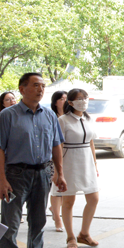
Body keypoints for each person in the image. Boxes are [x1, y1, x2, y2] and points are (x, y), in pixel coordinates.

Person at [0, 72, 66, 248]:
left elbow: (56, 145)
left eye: (42, 85)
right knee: (10, 226)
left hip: (42, 173)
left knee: (38, 221)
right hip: (16, 175)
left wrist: (59, 173)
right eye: (35, 85)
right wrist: (2, 179)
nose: (40, 89)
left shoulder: (49, 115)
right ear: (22, 89)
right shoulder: (8, 115)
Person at [50, 88, 100, 248]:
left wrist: (95, 163)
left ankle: (84, 233)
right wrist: (57, 171)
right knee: (68, 201)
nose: (83, 101)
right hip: (69, 162)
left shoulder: (88, 119)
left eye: (85, 98)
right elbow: (58, 146)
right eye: (79, 98)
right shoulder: (63, 120)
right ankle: (70, 237)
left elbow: (91, 142)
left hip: (86, 162)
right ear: (70, 102)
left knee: (93, 198)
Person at [48, 91, 68, 232]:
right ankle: (57, 218)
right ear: (55, 102)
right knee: (56, 188)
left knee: (65, 189)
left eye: (67, 99)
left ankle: (55, 210)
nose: (65, 101)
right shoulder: (51, 117)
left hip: (68, 156)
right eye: (62, 99)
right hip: (53, 156)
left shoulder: (70, 117)